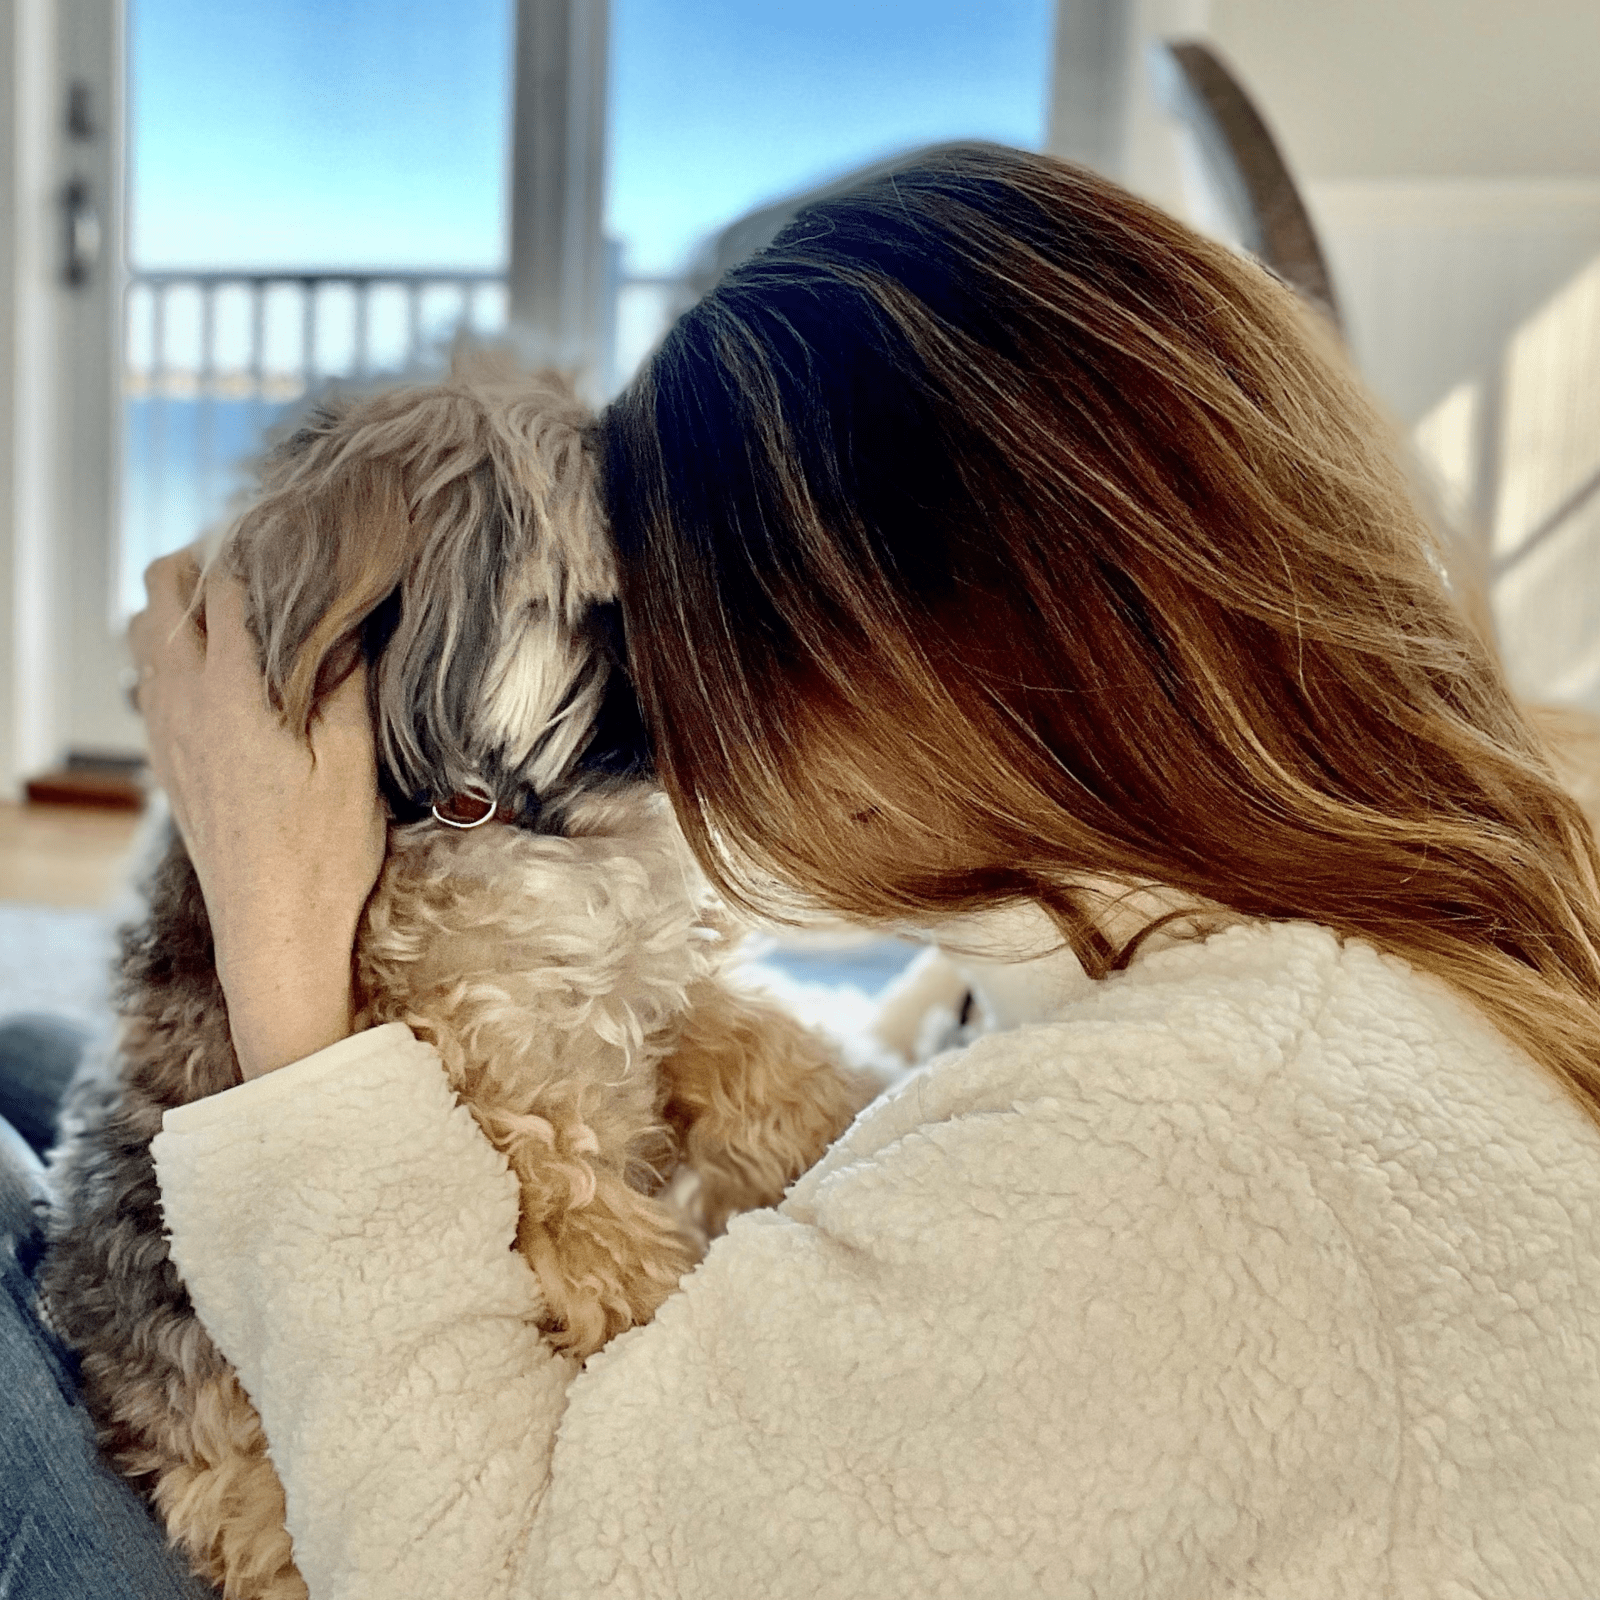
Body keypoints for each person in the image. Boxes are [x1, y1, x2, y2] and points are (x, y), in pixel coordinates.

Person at [10, 140, 1600, 1597]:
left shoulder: (1169, 1158)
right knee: (32, 1061)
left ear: (947, 638)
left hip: (421, 1536)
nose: (693, 729)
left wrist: (280, 973)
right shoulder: (1351, 949)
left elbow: (484, 1563)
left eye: (715, 647)